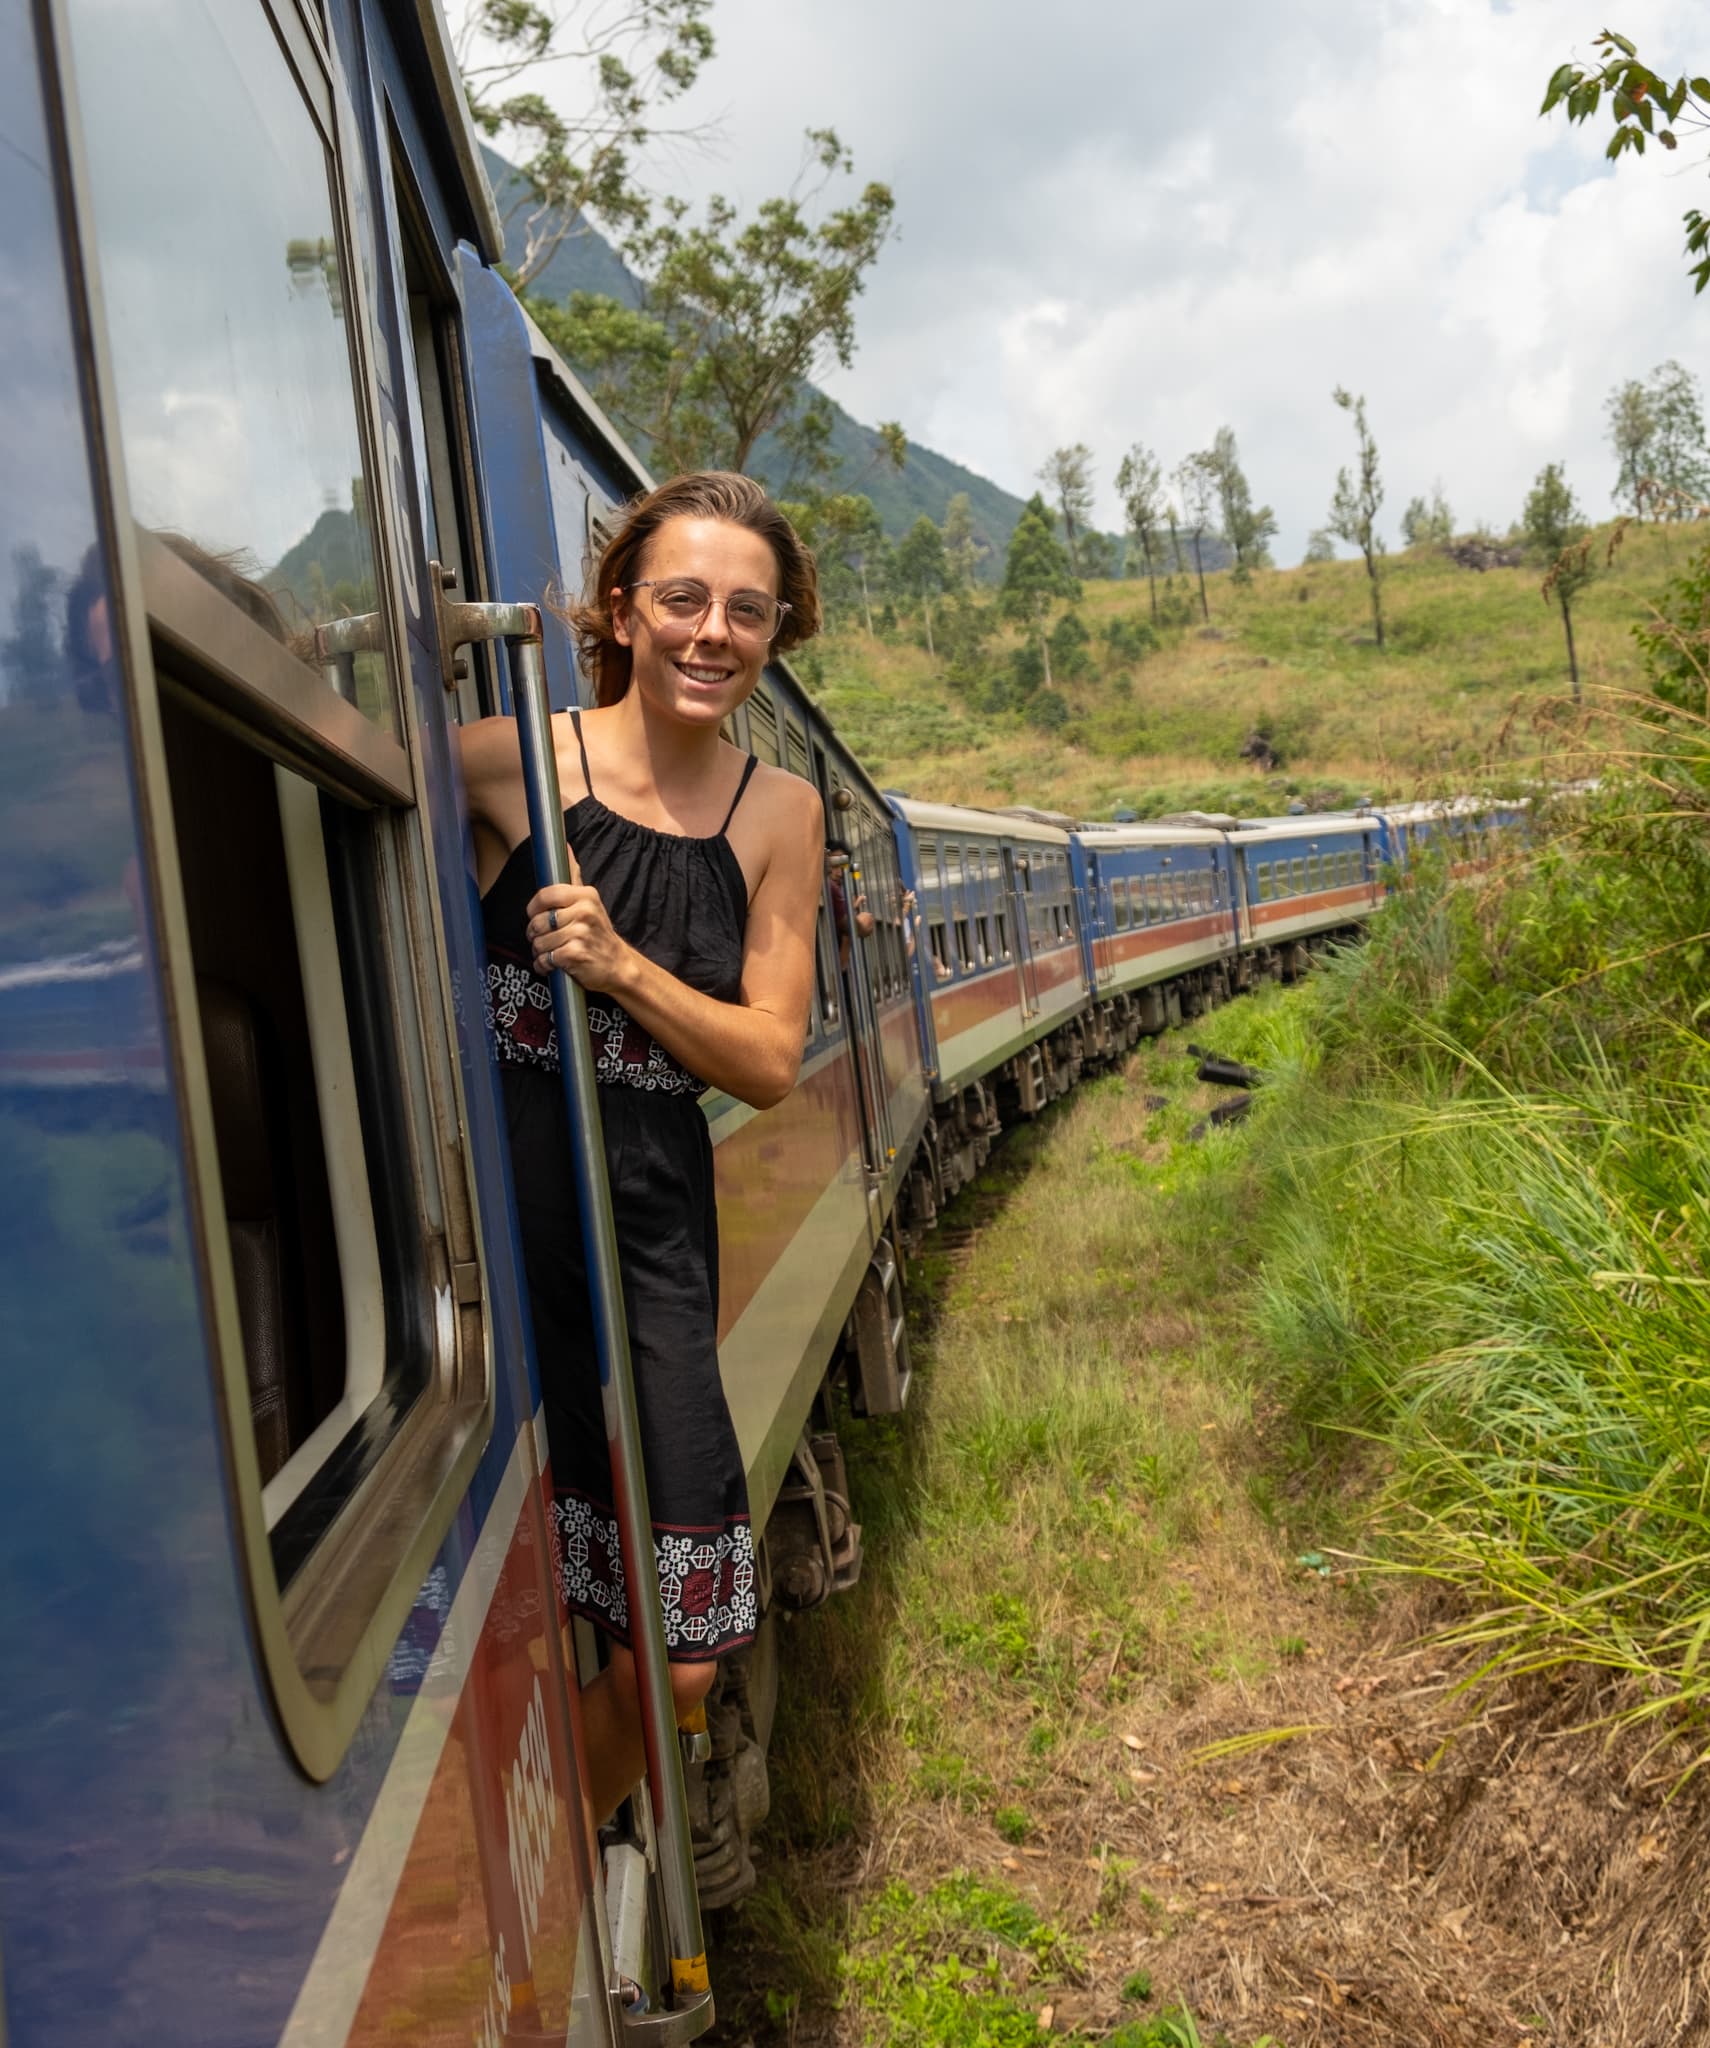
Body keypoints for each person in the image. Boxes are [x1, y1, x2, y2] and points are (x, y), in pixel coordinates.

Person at [458, 472, 824, 1823]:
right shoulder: (505, 763)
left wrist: (619, 970)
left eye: (747, 611)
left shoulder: (776, 816)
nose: (710, 631)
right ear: (621, 610)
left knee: (680, 1660)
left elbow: (770, 1063)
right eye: (682, 598)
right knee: (508, 1616)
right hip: (497, 1230)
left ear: (773, 635)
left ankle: (555, 1900)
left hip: (655, 1238)